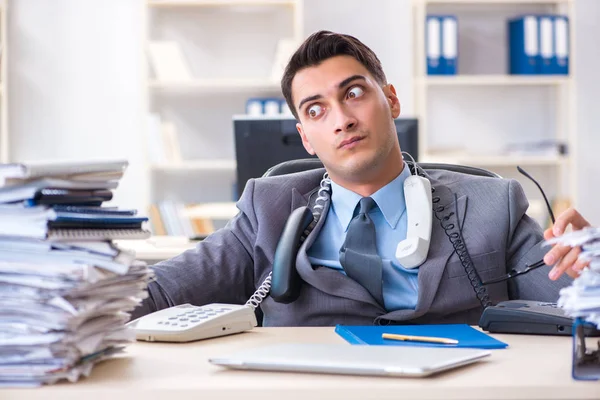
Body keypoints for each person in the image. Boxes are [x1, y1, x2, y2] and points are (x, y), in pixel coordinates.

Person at [132, 31, 590, 326]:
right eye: (316, 109)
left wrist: (591, 265)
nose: (341, 120)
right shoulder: (269, 208)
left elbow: (575, 306)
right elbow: (160, 291)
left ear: (390, 100)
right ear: (305, 138)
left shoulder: (494, 204)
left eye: (353, 93)